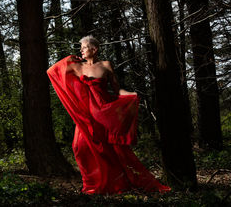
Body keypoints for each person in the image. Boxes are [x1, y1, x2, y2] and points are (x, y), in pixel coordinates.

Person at [47, 35, 170, 194]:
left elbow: (117, 90)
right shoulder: (77, 66)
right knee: (79, 147)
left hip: (104, 112)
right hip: (87, 115)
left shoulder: (106, 65)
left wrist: (131, 97)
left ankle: (116, 184)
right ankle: (92, 184)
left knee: (113, 150)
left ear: (94, 49)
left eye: (84, 47)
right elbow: (52, 71)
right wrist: (70, 58)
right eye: (81, 48)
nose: (81, 50)